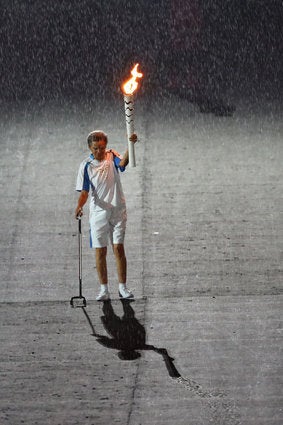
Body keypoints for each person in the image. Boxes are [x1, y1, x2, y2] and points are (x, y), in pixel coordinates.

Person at [75, 130, 137, 301]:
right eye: (95, 148)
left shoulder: (111, 156)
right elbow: (85, 192)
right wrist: (79, 206)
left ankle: (122, 287)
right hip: (98, 213)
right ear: (90, 147)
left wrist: (130, 145)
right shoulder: (86, 166)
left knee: (118, 248)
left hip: (118, 209)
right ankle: (104, 290)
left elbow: (123, 162)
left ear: (106, 146)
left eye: (102, 148)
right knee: (100, 251)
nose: (99, 152)